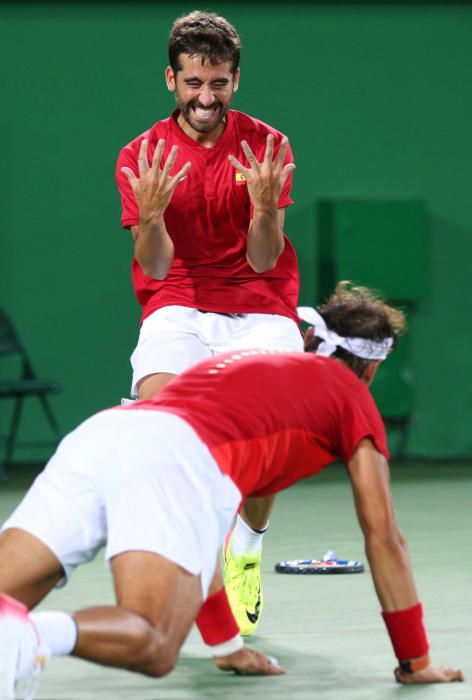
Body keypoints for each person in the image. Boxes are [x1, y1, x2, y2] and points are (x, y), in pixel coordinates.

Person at [0, 283, 463, 698]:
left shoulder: (238, 365)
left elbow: (200, 535)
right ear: (372, 369)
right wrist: (415, 660)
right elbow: (384, 538)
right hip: (172, 459)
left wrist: (227, 646)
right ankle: (35, 636)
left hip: (102, 436)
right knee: (154, 641)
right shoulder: (352, 396)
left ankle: (14, 631)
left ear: (308, 339)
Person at [115, 10, 302, 635]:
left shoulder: (268, 146)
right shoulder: (140, 156)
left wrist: (268, 206)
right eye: (194, 82)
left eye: (218, 83)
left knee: (271, 425)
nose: (205, 97)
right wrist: (150, 217)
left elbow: (264, 258)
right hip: (178, 302)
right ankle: (181, 557)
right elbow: (156, 263)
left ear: (235, 81)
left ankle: (244, 548)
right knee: (162, 418)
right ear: (171, 79)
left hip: (259, 304)